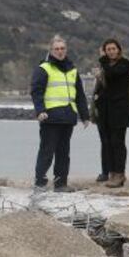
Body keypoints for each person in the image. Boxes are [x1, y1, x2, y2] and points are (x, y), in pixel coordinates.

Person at [31, 35, 90, 192]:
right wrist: (40, 111)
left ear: (66, 50)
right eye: (56, 49)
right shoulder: (44, 68)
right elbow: (36, 92)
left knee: (64, 153)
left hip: (68, 117)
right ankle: (40, 182)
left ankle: (60, 183)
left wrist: (85, 116)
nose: (60, 51)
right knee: (47, 152)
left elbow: (80, 95)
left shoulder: (73, 70)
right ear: (51, 50)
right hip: (50, 117)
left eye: (62, 48)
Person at [93, 38, 129, 188]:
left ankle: (120, 173)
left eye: (113, 49)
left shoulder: (124, 64)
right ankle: (111, 172)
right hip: (105, 110)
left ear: (118, 49)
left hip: (119, 110)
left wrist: (102, 59)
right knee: (107, 143)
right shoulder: (104, 66)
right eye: (108, 49)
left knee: (118, 143)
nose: (111, 52)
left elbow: (112, 74)